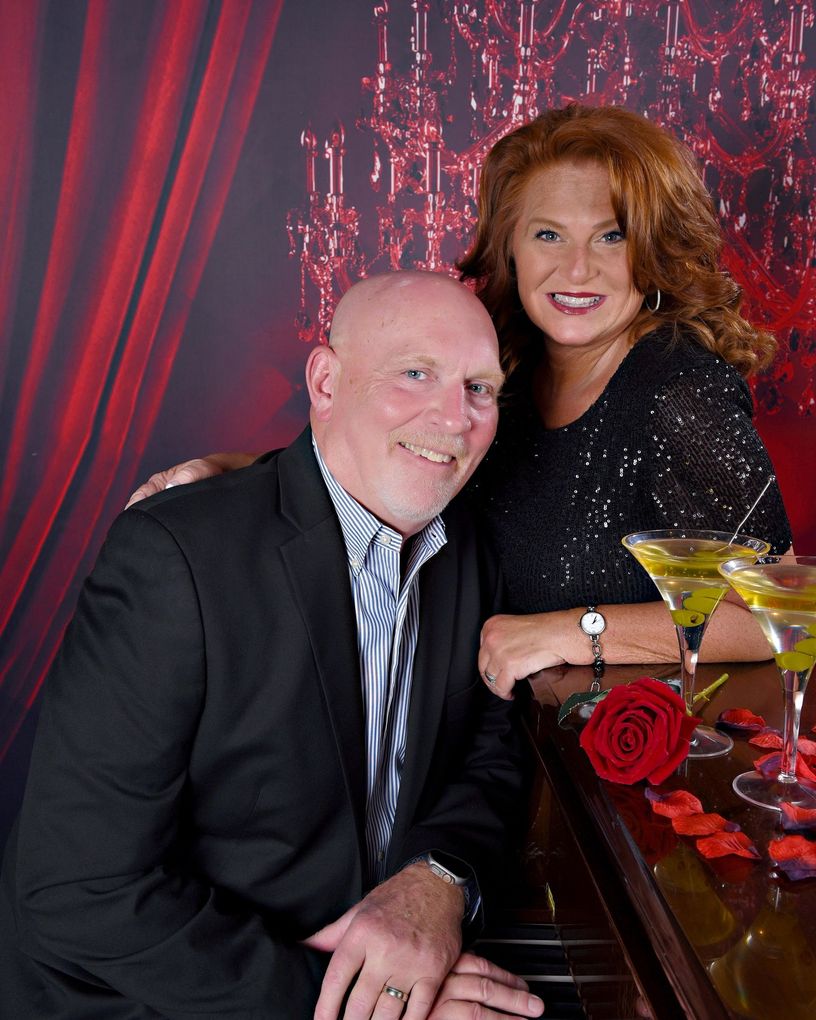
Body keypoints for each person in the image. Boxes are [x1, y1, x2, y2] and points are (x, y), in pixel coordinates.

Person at [0, 272, 546, 1020]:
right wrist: (361, 1005)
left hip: (387, 961)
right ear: (326, 380)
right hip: (168, 998)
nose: (454, 417)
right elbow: (81, 890)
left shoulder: (468, 548)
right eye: (414, 373)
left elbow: (489, 747)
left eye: (478, 388)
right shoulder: (175, 558)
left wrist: (436, 879)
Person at [127, 105, 792, 698]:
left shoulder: (675, 390)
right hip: (482, 746)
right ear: (510, 246)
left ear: (654, 248)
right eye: (548, 235)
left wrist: (575, 631)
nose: (578, 268)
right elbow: (395, 469)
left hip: (600, 775)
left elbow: (767, 613)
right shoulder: (503, 367)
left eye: (611, 235)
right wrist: (239, 473)